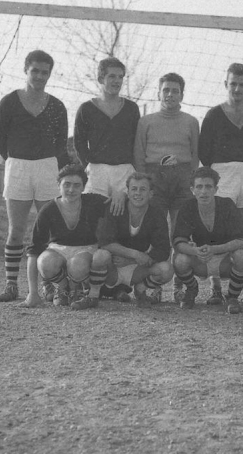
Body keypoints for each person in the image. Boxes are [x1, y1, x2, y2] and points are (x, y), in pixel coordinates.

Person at [0, 49, 70, 303]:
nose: (39, 76)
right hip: (17, 167)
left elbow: (60, 143)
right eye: (34, 70)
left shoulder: (57, 106)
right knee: (16, 230)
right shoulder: (9, 102)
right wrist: (17, 159)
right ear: (26, 70)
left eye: (44, 72)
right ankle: (11, 284)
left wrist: (46, 161)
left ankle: (47, 283)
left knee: (48, 230)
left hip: (48, 167)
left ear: (49, 74)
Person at [198, 62, 243, 306]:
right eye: (233, 84)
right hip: (223, 171)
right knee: (219, 231)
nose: (237, 88)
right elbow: (204, 152)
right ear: (225, 84)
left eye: (242, 84)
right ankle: (216, 287)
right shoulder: (214, 114)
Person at [133, 72, 199, 302]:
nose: (170, 94)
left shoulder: (191, 121)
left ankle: (181, 286)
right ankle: (156, 285)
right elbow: (139, 155)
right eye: (166, 90)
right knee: (157, 233)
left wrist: (190, 182)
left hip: (181, 179)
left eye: (175, 90)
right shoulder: (146, 121)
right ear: (158, 93)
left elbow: (195, 156)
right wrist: (145, 182)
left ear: (182, 94)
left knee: (180, 232)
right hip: (155, 178)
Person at [20, 164, 109, 310]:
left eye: (77, 185)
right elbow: (33, 250)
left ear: (83, 187)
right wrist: (32, 294)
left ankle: (77, 288)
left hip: (86, 249)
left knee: (77, 265)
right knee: (45, 262)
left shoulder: (93, 202)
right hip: (58, 248)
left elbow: (116, 202)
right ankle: (62, 288)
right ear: (58, 185)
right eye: (66, 184)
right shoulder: (48, 209)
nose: (71, 190)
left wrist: (120, 195)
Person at [172, 167, 243, 313]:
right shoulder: (188, 207)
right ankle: (192, 290)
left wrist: (215, 249)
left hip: (224, 258)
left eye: (208, 186)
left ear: (216, 189)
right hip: (200, 258)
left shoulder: (227, 205)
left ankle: (232, 297)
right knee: (179, 259)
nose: (204, 191)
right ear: (192, 189)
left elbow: (242, 240)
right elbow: (178, 241)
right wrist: (194, 250)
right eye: (199, 187)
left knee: (242, 256)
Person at [73, 56, 140, 216]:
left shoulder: (131, 108)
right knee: (94, 216)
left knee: (122, 216)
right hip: (97, 171)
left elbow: (137, 142)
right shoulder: (86, 109)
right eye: (112, 76)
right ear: (100, 78)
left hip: (124, 169)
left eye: (120, 77)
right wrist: (89, 165)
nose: (117, 81)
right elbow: (79, 143)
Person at [97, 172, 174, 307]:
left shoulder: (156, 214)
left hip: (135, 267)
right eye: (134, 189)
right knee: (100, 256)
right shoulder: (115, 207)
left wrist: (131, 259)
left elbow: (163, 250)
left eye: (143, 189)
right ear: (127, 192)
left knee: (166, 270)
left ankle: (140, 289)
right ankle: (92, 294)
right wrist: (135, 254)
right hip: (113, 266)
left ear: (151, 193)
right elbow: (104, 242)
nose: (138, 193)